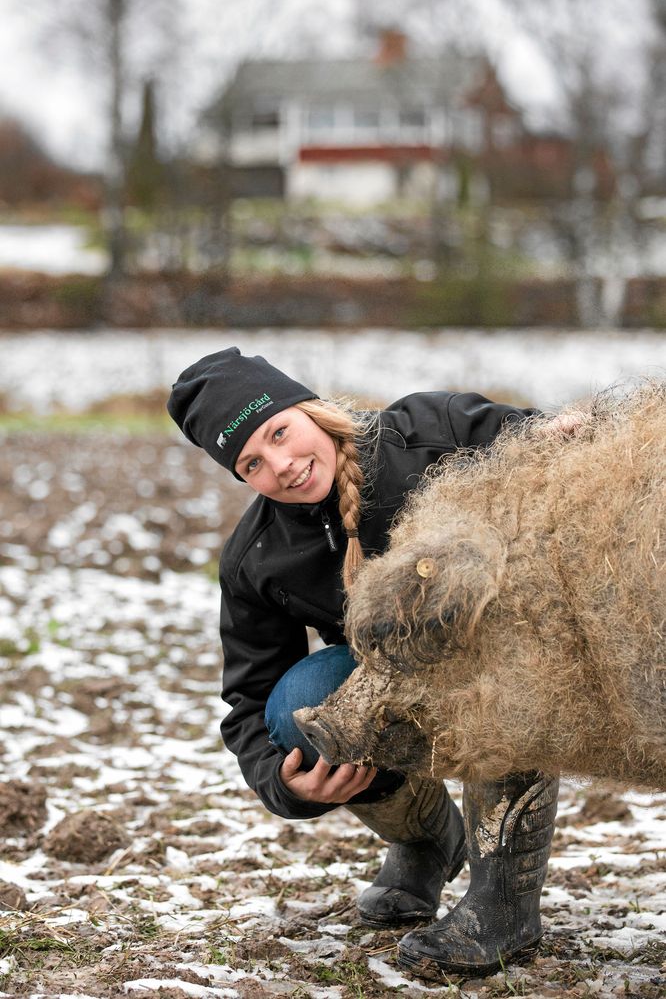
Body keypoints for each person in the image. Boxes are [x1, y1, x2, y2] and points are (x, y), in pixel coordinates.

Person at [167, 347, 560, 977]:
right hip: (399, 683)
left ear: (306, 408)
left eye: (279, 432)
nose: (284, 465)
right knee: (300, 711)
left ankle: (503, 903)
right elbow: (249, 698)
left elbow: (550, 446)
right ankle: (427, 839)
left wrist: (564, 430)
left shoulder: (429, 431)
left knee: (490, 672)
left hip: (514, 655)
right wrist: (283, 782)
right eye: (253, 464)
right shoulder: (257, 558)